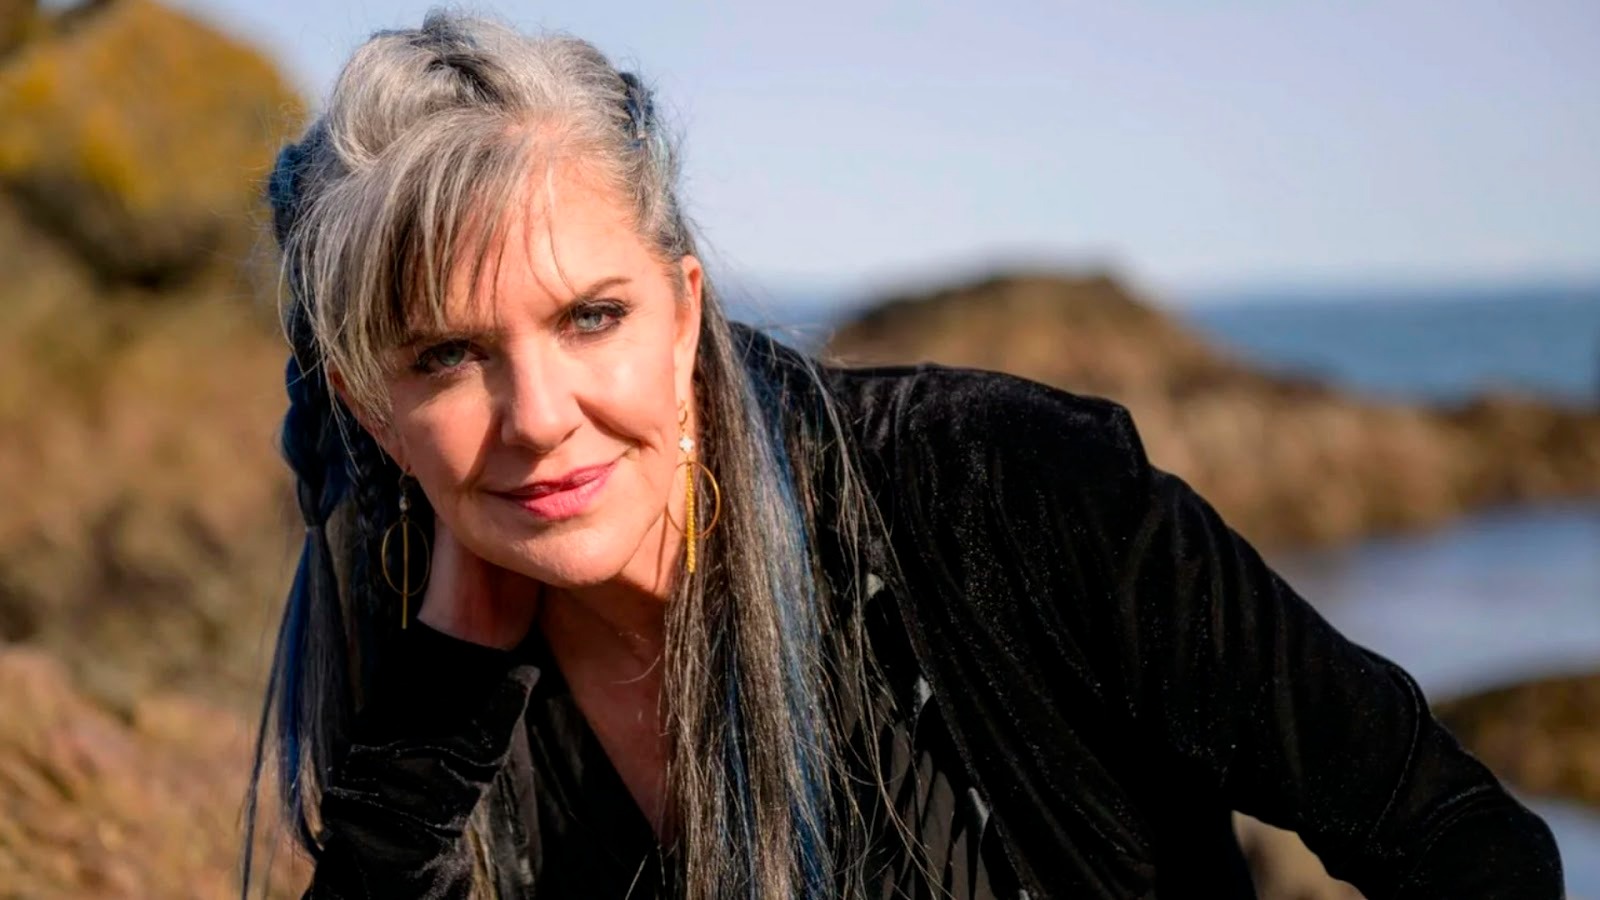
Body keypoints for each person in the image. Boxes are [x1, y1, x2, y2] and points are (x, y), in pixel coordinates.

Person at [244, 11, 1563, 900]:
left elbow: (1464, 846)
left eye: (591, 316)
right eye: (446, 357)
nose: (537, 414)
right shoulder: (410, 623)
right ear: (370, 407)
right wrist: (452, 685)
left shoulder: (1010, 489)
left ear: (686, 309)